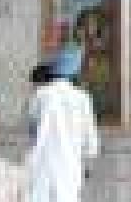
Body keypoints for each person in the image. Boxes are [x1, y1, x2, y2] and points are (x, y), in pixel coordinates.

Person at [27, 45, 99, 202]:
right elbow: (90, 137)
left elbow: (32, 128)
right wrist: (87, 163)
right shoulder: (82, 98)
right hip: (69, 165)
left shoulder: (40, 95)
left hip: (41, 164)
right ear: (74, 72)